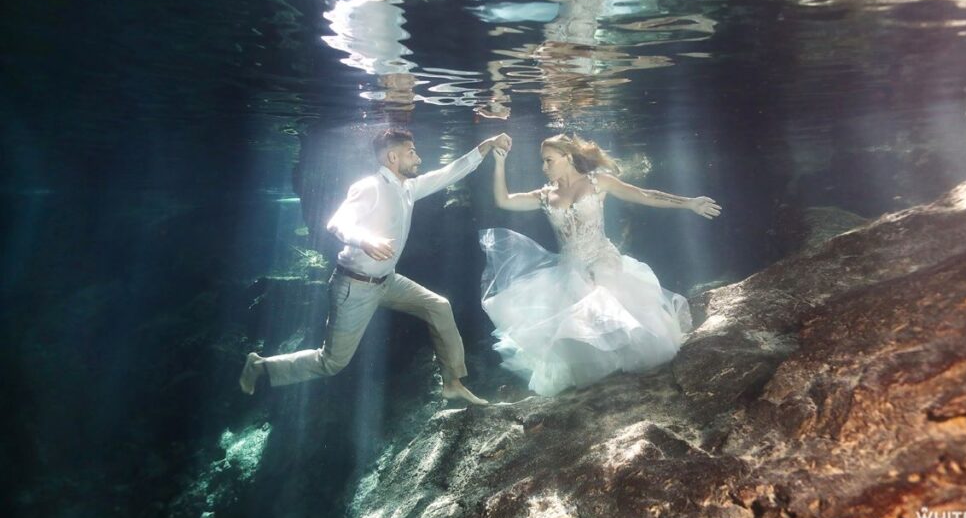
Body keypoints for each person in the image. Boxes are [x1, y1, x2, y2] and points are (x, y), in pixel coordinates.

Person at [239, 128, 512, 405]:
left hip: (387, 281)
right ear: (393, 157)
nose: (418, 158)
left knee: (438, 306)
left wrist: (486, 146)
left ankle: (452, 382)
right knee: (332, 362)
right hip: (354, 287)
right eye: (412, 152)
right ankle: (261, 366)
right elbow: (337, 223)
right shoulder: (369, 187)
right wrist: (365, 239)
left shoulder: (408, 187)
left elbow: (449, 173)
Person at [480, 134, 721, 396]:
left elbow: (644, 194)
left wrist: (689, 203)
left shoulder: (597, 182)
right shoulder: (545, 195)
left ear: (568, 158)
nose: (544, 167)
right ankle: (603, 381)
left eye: (548, 160)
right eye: (543, 162)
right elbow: (503, 200)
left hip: (602, 258)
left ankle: (631, 371)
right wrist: (499, 163)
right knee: (575, 314)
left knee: (600, 291)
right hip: (569, 267)